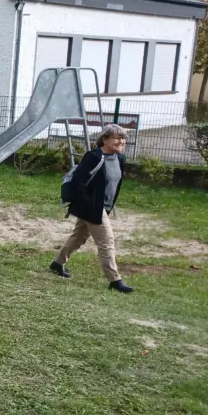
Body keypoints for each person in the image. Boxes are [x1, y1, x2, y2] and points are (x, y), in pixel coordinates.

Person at [50, 124, 134, 293]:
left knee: (79, 236)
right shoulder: (94, 157)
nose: (121, 141)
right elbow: (78, 182)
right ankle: (115, 280)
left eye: (123, 138)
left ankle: (57, 263)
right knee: (106, 241)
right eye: (117, 138)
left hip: (103, 206)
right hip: (92, 207)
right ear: (104, 139)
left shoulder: (120, 159)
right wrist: (87, 204)